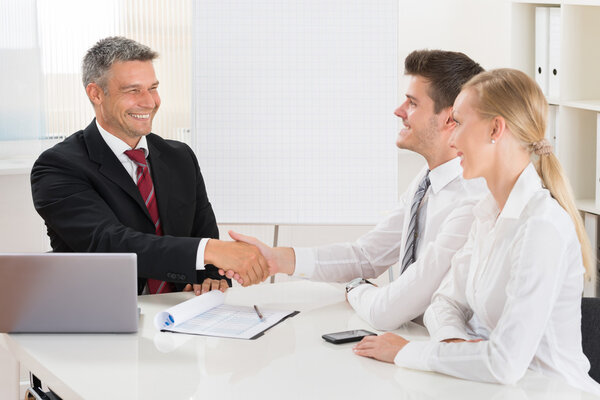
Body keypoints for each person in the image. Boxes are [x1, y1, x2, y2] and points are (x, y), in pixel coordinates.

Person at [353, 68, 600, 395]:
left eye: (459, 123)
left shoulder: (541, 227)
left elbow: (504, 362)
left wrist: (406, 352)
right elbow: (444, 303)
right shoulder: (485, 212)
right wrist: (454, 346)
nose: (451, 139)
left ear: (496, 129)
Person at [226, 50, 487, 330]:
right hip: (409, 339)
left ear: (450, 118)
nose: (399, 111)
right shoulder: (426, 181)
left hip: (441, 350)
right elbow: (367, 256)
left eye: (412, 103)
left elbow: (396, 307)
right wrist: (277, 259)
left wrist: (358, 289)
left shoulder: (473, 199)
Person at [31, 36, 269, 295]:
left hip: (182, 312)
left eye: (153, 88)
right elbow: (109, 243)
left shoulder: (180, 156)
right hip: (105, 315)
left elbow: (202, 232)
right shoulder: (57, 166)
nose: (149, 101)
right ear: (96, 93)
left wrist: (211, 275)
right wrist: (210, 251)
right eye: (133, 90)